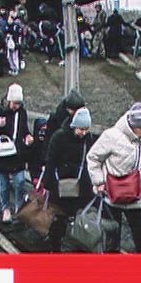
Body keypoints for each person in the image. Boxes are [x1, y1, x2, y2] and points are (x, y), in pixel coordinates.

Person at [86, 102, 141, 253]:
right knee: (112, 239)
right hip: (112, 196)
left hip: (135, 197)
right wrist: (99, 182)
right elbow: (93, 158)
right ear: (133, 126)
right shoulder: (111, 136)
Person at [43, 107, 94, 252]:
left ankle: (74, 243)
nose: (83, 133)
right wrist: (49, 183)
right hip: (60, 183)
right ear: (74, 126)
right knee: (58, 217)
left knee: (77, 215)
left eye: (86, 129)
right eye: (81, 129)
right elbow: (51, 160)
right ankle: (55, 245)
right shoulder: (59, 137)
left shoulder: (88, 140)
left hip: (80, 185)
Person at [0, 82, 35, 222]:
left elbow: (23, 129)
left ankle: (19, 207)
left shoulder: (22, 113)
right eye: (14, 103)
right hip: (2, 153)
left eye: (19, 104)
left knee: (20, 181)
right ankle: (5, 209)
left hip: (17, 153)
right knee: (4, 184)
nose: (16, 106)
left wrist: (27, 136)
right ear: (9, 100)